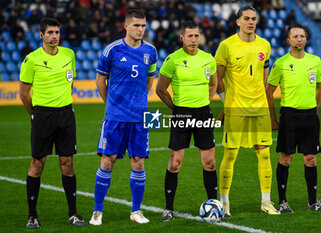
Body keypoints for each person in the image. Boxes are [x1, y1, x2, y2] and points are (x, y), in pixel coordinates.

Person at [89, 9, 158, 225]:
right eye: (136, 25)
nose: (140, 29)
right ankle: (97, 212)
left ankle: (136, 211)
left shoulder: (151, 51)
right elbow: (100, 81)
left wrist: (139, 102)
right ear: (126, 26)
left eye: (143, 25)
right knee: (107, 162)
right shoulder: (112, 50)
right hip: (115, 117)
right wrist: (110, 104)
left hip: (140, 117)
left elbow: (149, 80)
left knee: (138, 163)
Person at [19, 17, 87, 229]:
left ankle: (73, 214)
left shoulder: (69, 54)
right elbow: (23, 94)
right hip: (42, 116)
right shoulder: (31, 59)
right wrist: (35, 114)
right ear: (41, 35)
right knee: (37, 164)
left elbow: (71, 82)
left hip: (66, 115)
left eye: (57, 32)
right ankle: (32, 216)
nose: (54, 36)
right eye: (49, 32)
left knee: (67, 163)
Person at [215, 5, 280, 217]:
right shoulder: (226, 46)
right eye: (246, 18)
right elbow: (217, 79)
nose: (251, 22)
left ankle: (266, 202)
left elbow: (264, 76)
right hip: (236, 110)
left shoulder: (265, 45)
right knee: (230, 155)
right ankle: (225, 203)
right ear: (238, 21)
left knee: (264, 154)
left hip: (259, 109)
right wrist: (226, 101)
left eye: (253, 18)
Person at [156, 21, 218, 221]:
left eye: (196, 36)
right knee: (175, 163)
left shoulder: (208, 59)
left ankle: (214, 206)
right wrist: (176, 109)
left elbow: (214, 84)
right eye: (189, 36)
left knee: (209, 163)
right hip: (181, 114)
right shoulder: (172, 60)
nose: (193, 40)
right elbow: (160, 89)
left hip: (203, 114)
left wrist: (205, 102)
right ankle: (168, 209)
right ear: (181, 37)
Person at [266, 24, 321, 213]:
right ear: (288, 40)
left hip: (310, 115)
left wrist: (315, 108)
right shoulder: (281, 63)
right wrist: (272, 117)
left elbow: (320, 87)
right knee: (286, 158)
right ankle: (283, 202)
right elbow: (269, 91)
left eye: (302, 36)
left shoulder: (315, 61)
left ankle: (313, 203)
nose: (299, 39)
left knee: (311, 159)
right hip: (289, 115)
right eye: (295, 36)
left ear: (306, 39)